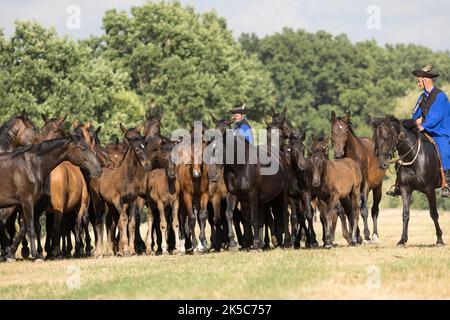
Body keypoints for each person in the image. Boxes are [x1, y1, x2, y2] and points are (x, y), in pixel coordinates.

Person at [387, 64, 450, 197]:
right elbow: (415, 115)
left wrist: (423, 125)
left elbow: (437, 117)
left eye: (418, 80)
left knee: (443, 149)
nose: (417, 83)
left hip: (440, 131)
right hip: (426, 129)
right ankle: (399, 183)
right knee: (406, 145)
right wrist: (411, 124)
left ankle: (447, 184)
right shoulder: (422, 98)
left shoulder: (440, 96)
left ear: (425, 80)